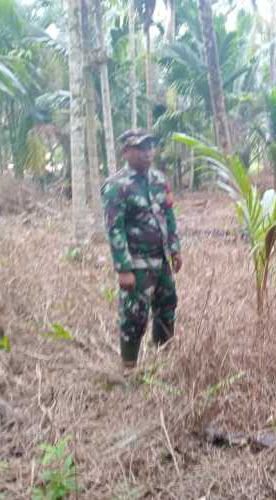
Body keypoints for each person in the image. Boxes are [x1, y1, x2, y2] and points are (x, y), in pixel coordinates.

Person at [101, 129, 182, 371]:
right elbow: (114, 228)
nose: (148, 152)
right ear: (126, 152)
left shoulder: (159, 180)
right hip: (136, 262)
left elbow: (168, 214)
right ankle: (129, 368)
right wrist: (123, 268)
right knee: (134, 315)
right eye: (140, 148)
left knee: (167, 304)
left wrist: (175, 249)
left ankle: (163, 360)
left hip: (161, 259)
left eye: (150, 147)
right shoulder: (116, 186)